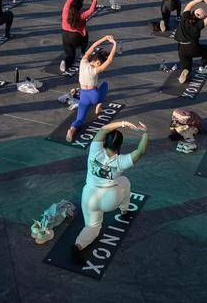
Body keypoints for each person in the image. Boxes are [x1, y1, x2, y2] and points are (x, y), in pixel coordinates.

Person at [73, 120, 148, 262]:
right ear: (119, 145)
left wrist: (124, 123)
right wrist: (145, 133)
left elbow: (103, 130)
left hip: (89, 196)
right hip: (110, 200)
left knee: (92, 227)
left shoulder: (95, 150)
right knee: (124, 181)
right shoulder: (122, 161)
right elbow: (140, 151)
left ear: (105, 142)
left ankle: (78, 246)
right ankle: (124, 212)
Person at [66, 35, 117, 143]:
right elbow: (110, 59)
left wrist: (104, 39)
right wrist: (114, 44)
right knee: (104, 84)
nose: (99, 64)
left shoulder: (83, 61)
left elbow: (93, 46)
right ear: (97, 61)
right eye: (99, 63)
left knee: (79, 119)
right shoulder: (96, 71)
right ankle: (98, 107)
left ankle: (71, 129)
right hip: (95, 96)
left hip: (83, 96)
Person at [174, 0, 207, 84]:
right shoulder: (198, 25)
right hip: (193, 48)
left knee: (187, 65)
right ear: (201, 18)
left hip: (181, 48)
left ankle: (186, 71)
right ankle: (202, 67)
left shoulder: (184, 18)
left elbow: (189, 4)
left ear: (193, 13)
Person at [60, 0, 98, 73]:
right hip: (76, 36)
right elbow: (91, 10)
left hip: (65, 35)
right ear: (79, 8)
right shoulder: (81, 16)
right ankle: (83, 52)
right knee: (85, 36)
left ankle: (65, 63)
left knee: (70, 54)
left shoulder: (65, 11)